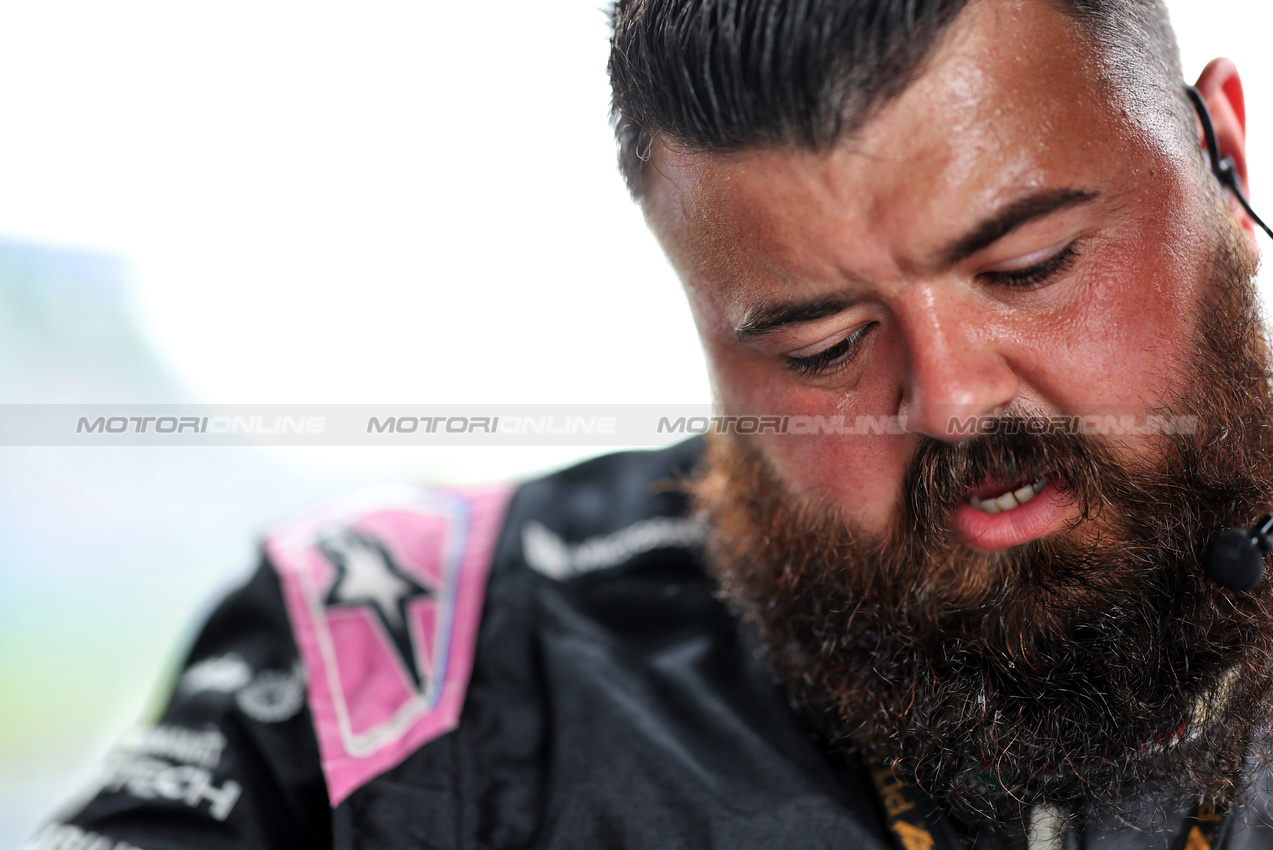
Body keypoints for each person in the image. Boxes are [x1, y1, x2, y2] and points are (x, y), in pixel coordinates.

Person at [28, 0, 1273, 847]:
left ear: (1223, 157)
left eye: (1031, 265)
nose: (947, 399)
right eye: (821, 345)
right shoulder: (403, 662)